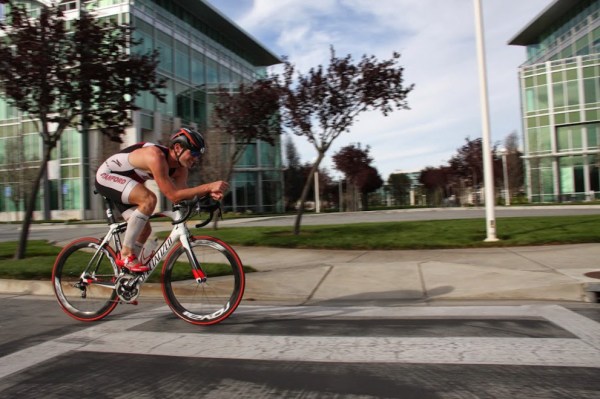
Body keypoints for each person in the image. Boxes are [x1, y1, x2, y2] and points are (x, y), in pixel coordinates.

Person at [95, 127, 229, 273]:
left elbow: (182, 196)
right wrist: (208, 186)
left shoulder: (180, 169)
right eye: (194, 153)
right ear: (178, 148)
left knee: (144, 230)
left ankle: (127, 278)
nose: (196, 159)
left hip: (126, 184)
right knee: (149, 199)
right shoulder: (155, 156)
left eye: (198, 155)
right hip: (107, 176)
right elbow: (173, 195)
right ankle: (126, 254)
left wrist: (208, 196)